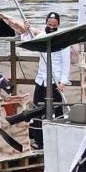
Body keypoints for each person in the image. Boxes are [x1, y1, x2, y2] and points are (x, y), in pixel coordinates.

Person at [29, 12, 70, 148]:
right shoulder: (41, 36)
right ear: (46, 22)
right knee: (37, 108)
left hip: (55, 79)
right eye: (49, 24)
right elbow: (28, 40)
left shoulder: (63, 40)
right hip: (41, 79)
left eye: (54, 25)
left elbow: (66, 62)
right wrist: (27, 28)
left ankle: (59, 138)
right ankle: (38, 140)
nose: (51, 27)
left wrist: (63, 81)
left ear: (58, 24)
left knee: (57, 109)